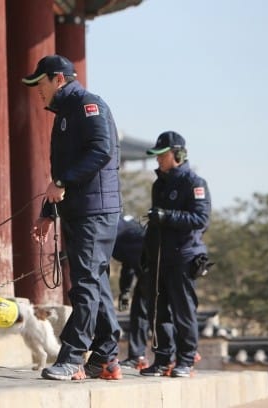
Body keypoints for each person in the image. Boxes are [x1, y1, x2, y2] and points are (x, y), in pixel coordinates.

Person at [24, 54, 123, 381]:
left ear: (58, 79)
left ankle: (72, 357)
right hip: (78, 210)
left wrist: (63, 183)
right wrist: (48, 212)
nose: (37, 89)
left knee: (84, 286)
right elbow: (61, 175)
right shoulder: (66, 112)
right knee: (96, 283)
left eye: (40, 82)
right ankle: (106, 357)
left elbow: (101, 150)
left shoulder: (87, 105)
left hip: (95, 212)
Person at [140, 131, 211, 378]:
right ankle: (162, 359)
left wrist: (167, 217)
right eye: (156, 155)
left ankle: (186, 359)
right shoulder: (158, 185)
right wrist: (146, 253)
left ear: (178, 154)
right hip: (160, 258)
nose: (158, 159)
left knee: (184, 311)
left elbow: (201, 219)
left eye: (163, 154)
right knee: (158, 312)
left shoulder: (195, 183)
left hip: (184, 256)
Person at [113, 215, 150, 370]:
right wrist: (125, 290)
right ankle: (137, 356)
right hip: (144, 267)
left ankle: (169, 357)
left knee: (146, 311)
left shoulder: (113, 228)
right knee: (139, 310)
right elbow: (128, 264)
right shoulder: (125, 228)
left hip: (153, 266)